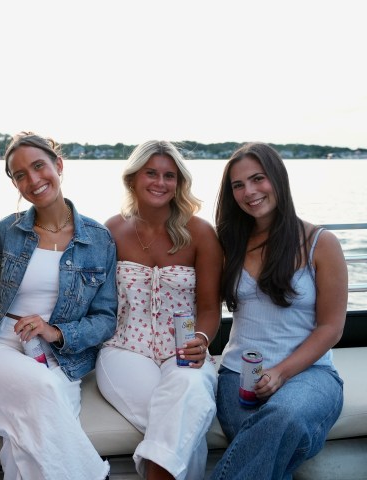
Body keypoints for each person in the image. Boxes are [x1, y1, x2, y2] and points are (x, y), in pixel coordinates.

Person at [0, 131, 117, 480]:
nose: (32, 179)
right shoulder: (4, 232)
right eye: (19, 174)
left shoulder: (98, 239)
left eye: (38, 166)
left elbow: (106, 318)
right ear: (14, 183)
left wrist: (56, 331)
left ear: (58, 165)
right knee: (44, 391)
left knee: (25, 441)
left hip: (60, 358)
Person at [211, 142, 348, 480]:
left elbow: (331, 327)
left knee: (284, 417)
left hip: (310, 375)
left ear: (278, 178)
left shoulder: (321, 243)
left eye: (258, 179)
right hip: (238, 377)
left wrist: (281, 373)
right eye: (238, 185)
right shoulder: (227, 243)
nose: (249, 191)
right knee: (270, 453)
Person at [95, 140, 223, 480]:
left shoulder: (200, 233)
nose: (160, 182)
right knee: (179, 421)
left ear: (179, 183)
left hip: (183, 349)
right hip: (123, 350)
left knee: (190, 391)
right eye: (151, 173)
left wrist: (201, 338)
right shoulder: (112, 230)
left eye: (170, 176)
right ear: (134, 177)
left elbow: (210, 308)